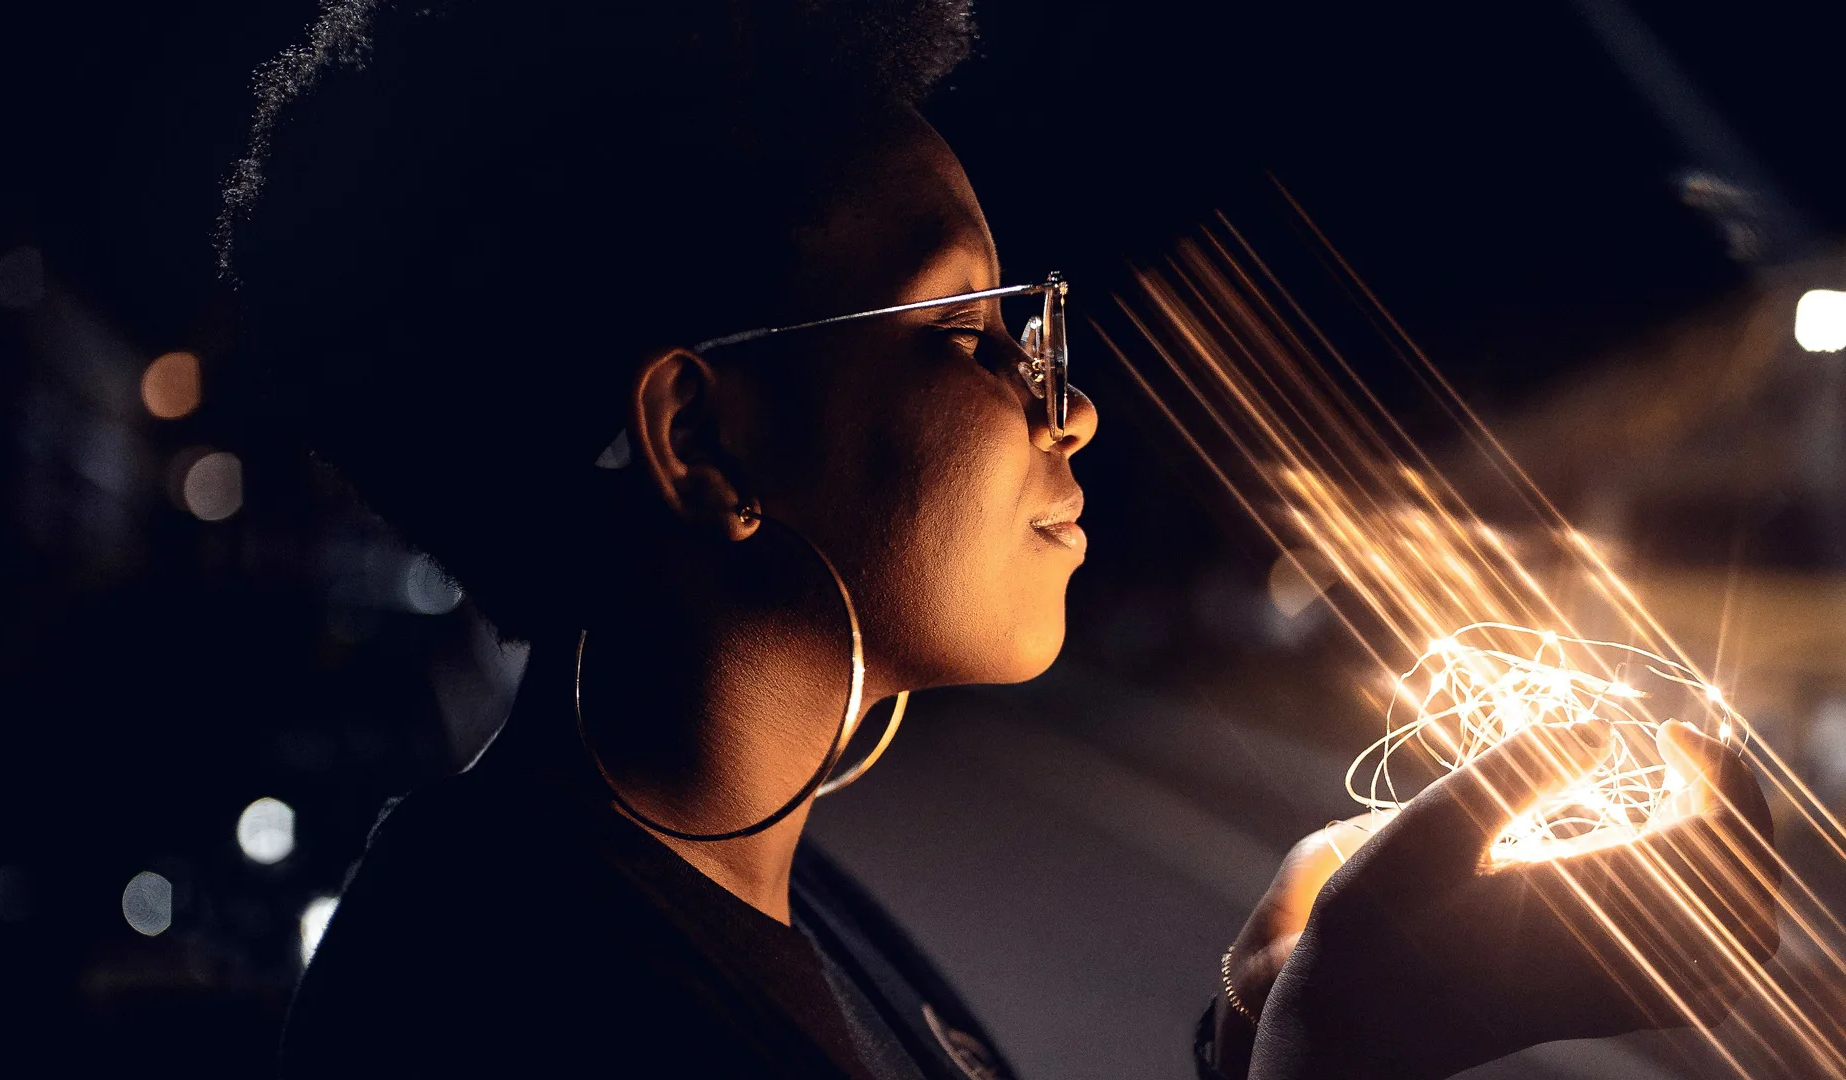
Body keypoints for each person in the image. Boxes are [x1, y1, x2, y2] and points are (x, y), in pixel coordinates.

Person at [220, 2, 1780, 1077]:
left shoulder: (732, 881)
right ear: (703, 440)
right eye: (970, 328)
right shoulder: (519, 1018)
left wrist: (1248, 1047)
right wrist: (1345, 1053)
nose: (1069, 411)